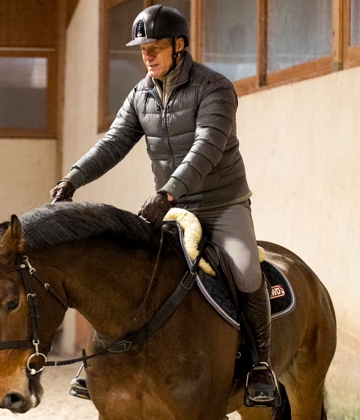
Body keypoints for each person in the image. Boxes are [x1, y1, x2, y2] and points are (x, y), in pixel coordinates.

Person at [50, 4, 277, 406]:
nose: (147, 56)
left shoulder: (215, 88)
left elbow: (207, 146)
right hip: (170, 207)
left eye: (155, 47)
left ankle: (261, 367)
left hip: (221, 205)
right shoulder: (140, 94)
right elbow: (115, 142)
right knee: (130, 272)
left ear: (179, 46)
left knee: (244, 271)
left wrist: (167, 192)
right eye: (142, 49)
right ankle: (104, 364)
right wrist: (74, 177)